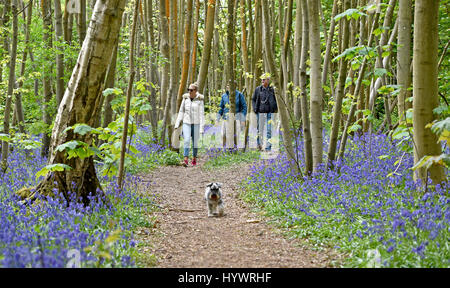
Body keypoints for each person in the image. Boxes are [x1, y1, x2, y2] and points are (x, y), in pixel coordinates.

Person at [174, 83, 205, 166]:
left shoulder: (200, 100)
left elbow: (202, 114)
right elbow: (181, 111)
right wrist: (177, 123)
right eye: (188, 90)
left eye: (191, 90)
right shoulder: (185, 98)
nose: (189, 91)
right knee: (187, 140)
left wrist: (202, 128)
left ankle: (194, 158)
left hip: (196, 123)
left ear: (195, 91)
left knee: (195, 143)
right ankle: (185, 159)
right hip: (186, 122)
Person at [252, 74, 277, 151]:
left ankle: (268, 147)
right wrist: (255, 109)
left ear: (268, 80)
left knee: (269, 130)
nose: (262, 81)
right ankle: (259, 146)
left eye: (264, 79)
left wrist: (274, 108)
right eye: (262, 79)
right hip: (260, 113)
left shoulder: (272, 90)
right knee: (260, 130)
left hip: (270, 113)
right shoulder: (258, 89)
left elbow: (276, 100)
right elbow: (253, 99)